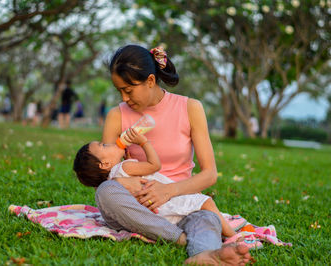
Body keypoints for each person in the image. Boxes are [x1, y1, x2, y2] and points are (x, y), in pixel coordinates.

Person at [95, 45, 252, 265]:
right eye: (119, 90)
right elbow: (105, 170)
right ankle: (179, 238)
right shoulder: (116, 115)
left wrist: (168, 191)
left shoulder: (190, 108)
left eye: (129, 90)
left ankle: (203, 256)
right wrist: (127, 184)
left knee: (206, 218)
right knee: (105, 192)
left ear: (150, 80)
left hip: (182, 203)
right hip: (138, 207)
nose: (124, 97)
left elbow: (209, 174)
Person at [73, 128, 242, 238]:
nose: (109, 143)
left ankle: (212, 241)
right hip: (167, 202)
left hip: (158, 214)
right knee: (207, 202)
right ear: (104, 164)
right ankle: (232, 236)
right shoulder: (125, 168)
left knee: (204, 214)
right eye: (103, 146)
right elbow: (155, 165)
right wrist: (143, 142)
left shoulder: (113, 181)